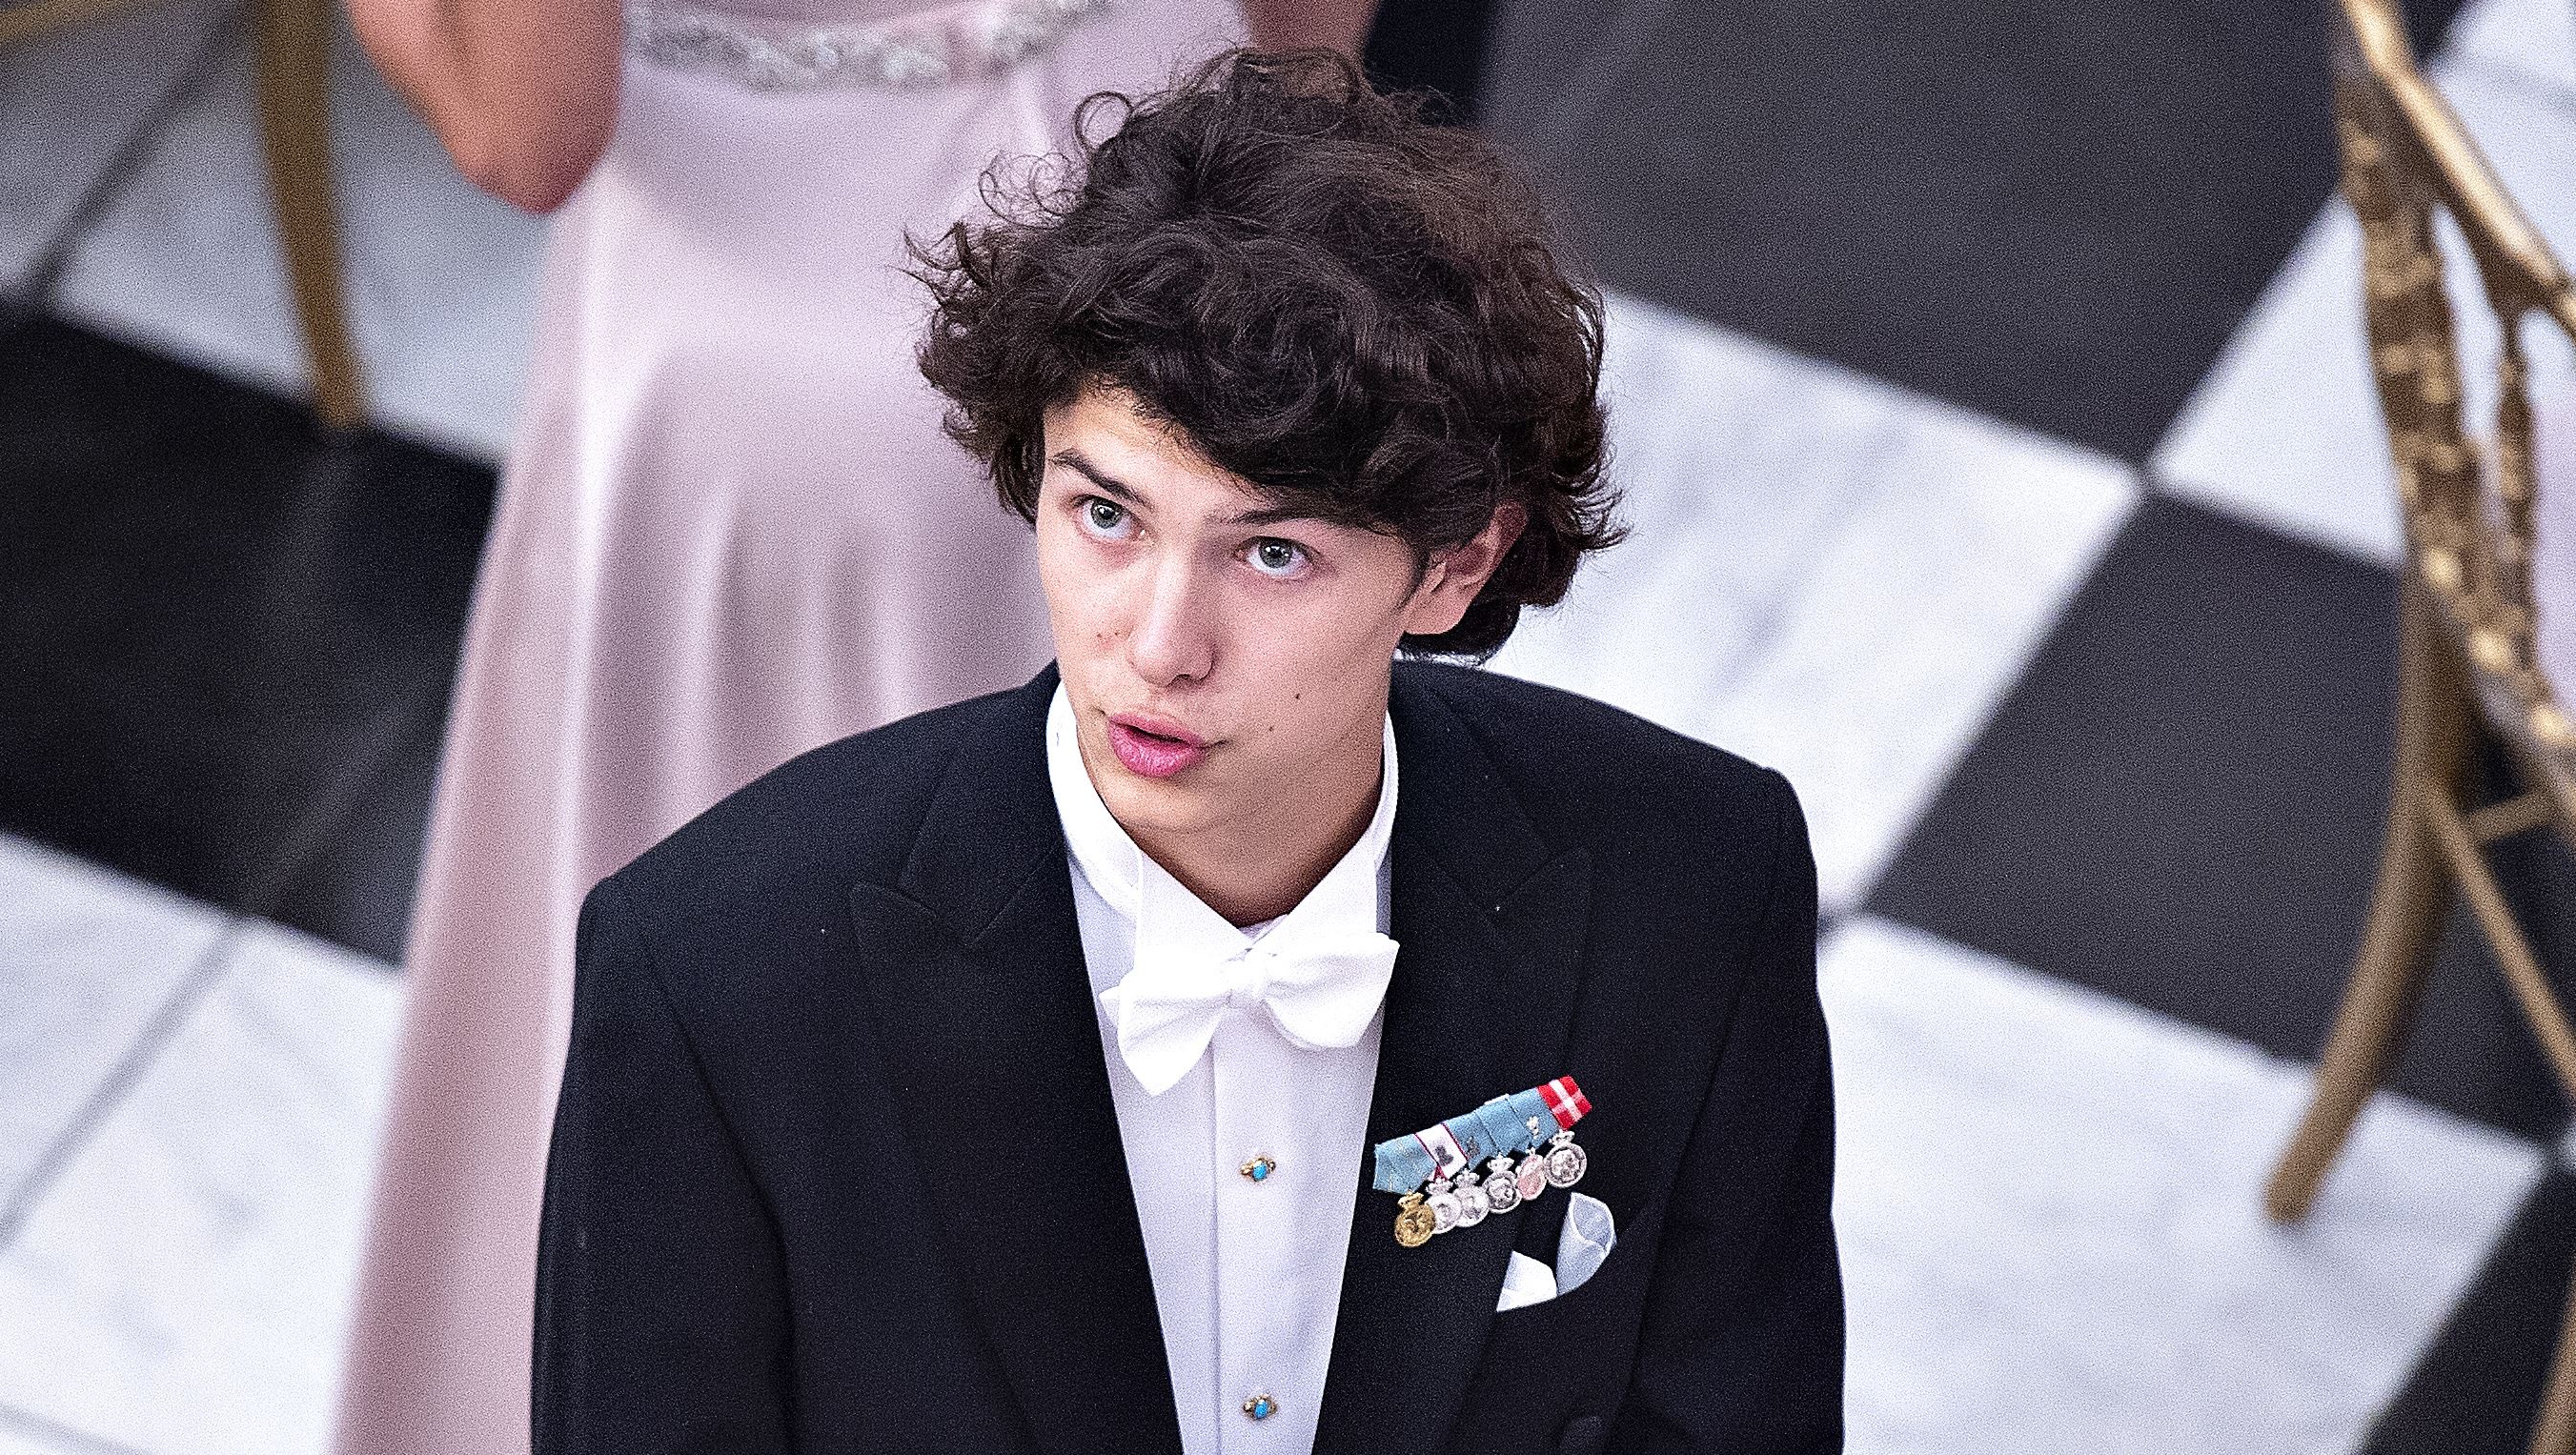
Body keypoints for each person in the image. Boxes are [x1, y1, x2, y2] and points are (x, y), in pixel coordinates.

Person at [536, 50, 1842, 1455]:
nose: (1159, 646)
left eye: (1270, 552)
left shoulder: (1696, 884)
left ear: (1457, 565)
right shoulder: (713, 974)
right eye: (1107, 515)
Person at [334, 0, 1402, 1447]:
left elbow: (528, 131)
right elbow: (1307, 59)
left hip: (783, 373)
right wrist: (1273, 200)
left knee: (728, 1032)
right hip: (1172, 227)